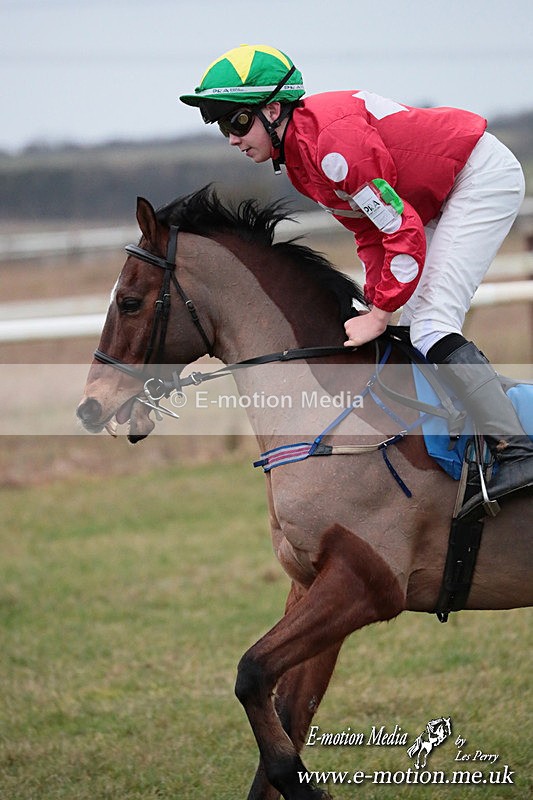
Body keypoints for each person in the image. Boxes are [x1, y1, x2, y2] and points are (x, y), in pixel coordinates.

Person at [180, 43, 533, 520]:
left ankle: (517, 452)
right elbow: (370, 234)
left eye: (238, 122)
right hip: (436, 196)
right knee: (410, 321)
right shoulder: (303, 160)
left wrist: (383, 311)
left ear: (274, 109)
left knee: (429, 325)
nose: (232, 139)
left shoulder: (331, 151)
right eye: (223, 127)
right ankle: (473, 426)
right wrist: (374, 304)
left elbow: (401, 231)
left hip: (476, 178)